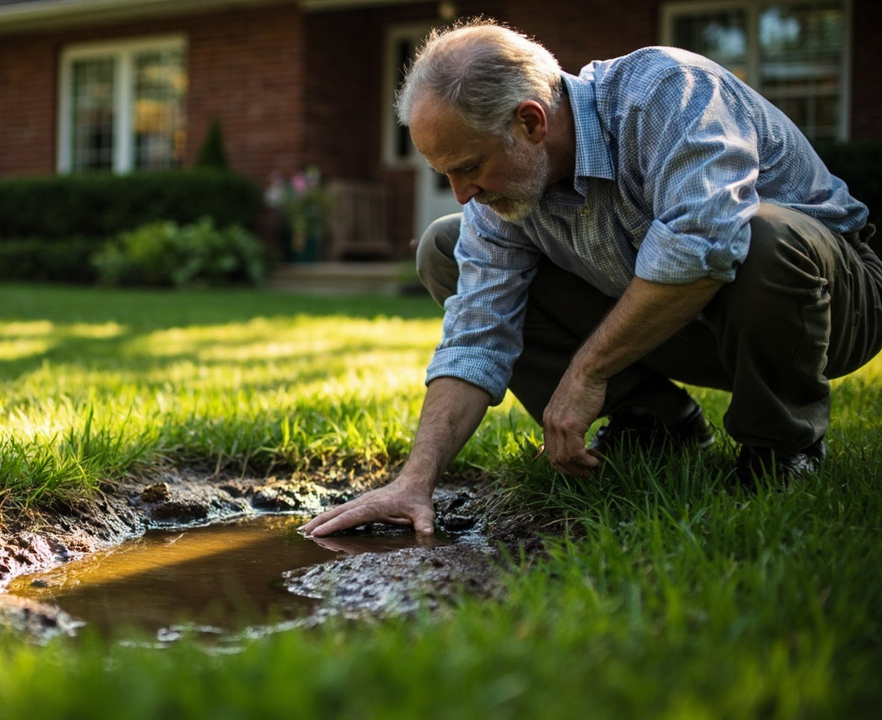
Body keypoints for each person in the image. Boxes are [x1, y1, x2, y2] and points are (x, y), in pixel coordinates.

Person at [300, 20, 881, 538]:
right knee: (445, 246)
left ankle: (781, 449)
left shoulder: (665, 92)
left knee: (761, 234)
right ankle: (654, 425)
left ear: (531, 121)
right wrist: (414, 482)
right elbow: (477, 336)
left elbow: (706, 245)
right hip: (690, 328)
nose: (461, 192)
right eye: (444, 173)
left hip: (827, 307)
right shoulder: (499, 202)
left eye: (469, 167)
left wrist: (589, 369)